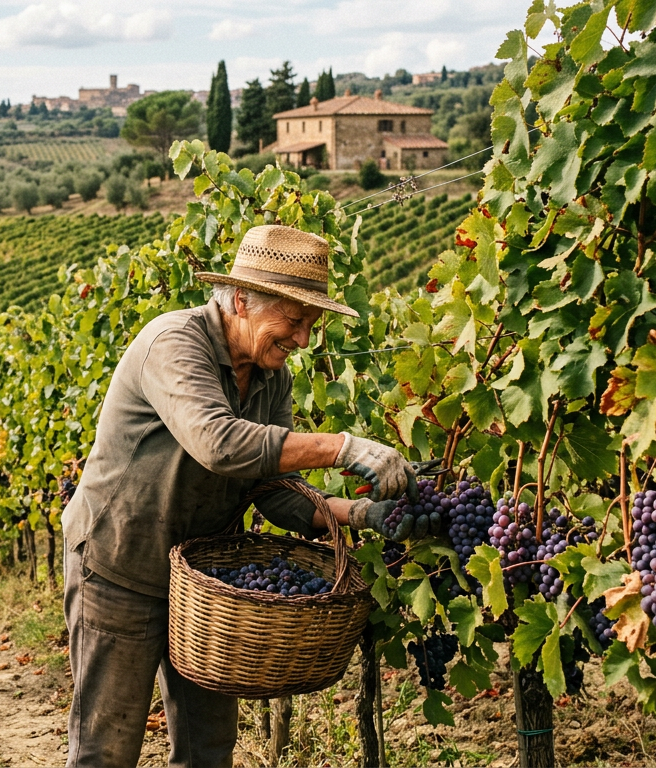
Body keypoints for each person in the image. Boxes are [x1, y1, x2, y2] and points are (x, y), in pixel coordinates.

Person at [61, 225, 416, 767]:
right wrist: (342, 447)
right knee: (105, 749)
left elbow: (272, 491)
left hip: (203, 586)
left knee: (208, 750)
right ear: (243, 300)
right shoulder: (173, 343)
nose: (302, 340)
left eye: (311, 325)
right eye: (294, 321)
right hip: (119, 568)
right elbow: (219, 444)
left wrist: (360, 513)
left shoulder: (273, 378)